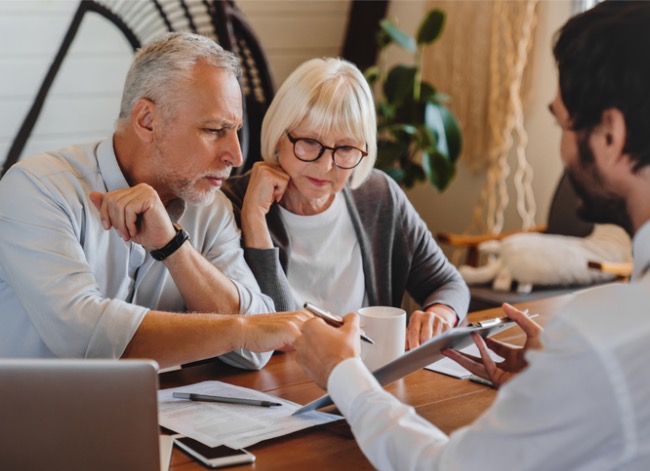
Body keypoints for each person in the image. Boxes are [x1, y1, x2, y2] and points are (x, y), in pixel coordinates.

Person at [295, 2, 650, 469]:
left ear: (610, 133)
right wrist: (549, 386)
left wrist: (343, 375)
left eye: (562, 124)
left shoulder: (604, 337)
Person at [0, 32, 312, 370]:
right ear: (147, 120)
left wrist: (173, 247)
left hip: (161, 416)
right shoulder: (37, 188)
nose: (235, 155)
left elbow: (256, 350)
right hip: (33, 419)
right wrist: (239, 329)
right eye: (213, 130)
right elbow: (84, 338)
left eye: (235, 130)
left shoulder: (211, 208)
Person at [222, 57, 469, 349]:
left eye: (346, 148)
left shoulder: (377, 195)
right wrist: (254, 219)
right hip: (276, 384)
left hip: (364, 377)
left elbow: (449, 284)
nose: (326, 165)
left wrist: (440, 313)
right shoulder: (231, 203)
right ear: (279, 135)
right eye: (310, 142)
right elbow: (267, 329)